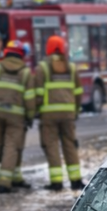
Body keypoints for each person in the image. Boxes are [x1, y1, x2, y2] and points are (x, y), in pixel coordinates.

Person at [28, 35, 84, 190]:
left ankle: (57, 182)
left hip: (49, 115)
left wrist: (36, 111)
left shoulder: (42, 68)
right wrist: (76, 111)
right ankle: (76, 180)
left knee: (51, 146)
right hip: (68, 115)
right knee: (70, 145)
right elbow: (78, 92)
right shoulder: (71, 68)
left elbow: (37, 93)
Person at [0, 40, 33, 193]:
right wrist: (29, 116)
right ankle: (4, 183)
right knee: (11, 146)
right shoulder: (25, 72)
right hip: (16, 116)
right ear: (21, 54)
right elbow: (29, 98)